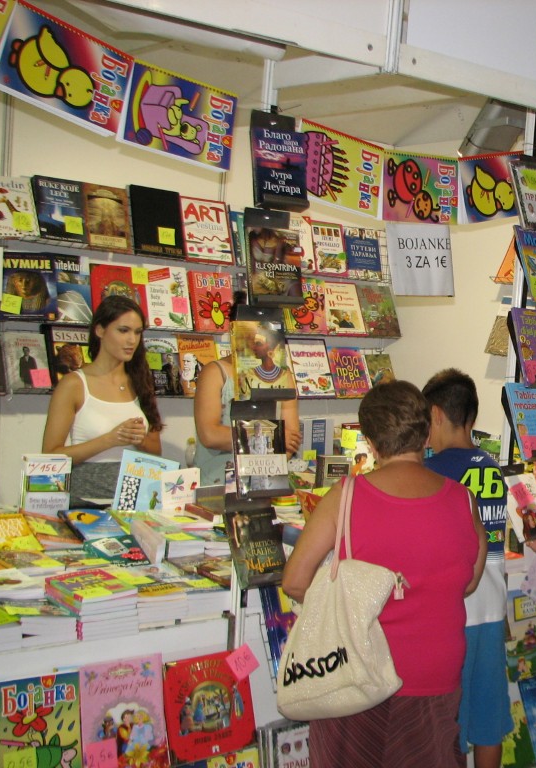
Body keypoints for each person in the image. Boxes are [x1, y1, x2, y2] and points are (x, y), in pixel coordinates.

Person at [281, 380, 487, 768]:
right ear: (426, 433)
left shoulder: (345, 497)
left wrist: (348, 603)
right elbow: (470, 580)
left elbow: (294, 581)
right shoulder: (463, 499)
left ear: (370, 441)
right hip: (436, 674)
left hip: (357, 671)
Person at [422, 369, 512, 768]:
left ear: (436, 415)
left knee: (447, 723)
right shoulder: (492, 466)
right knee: (489, 719)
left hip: (452, 613)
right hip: (491, 607)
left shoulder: (432, 471)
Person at [42, 295, 163, 505]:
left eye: (137, 332)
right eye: (123, 330)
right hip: (87, 502)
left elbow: (156, 450)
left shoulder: (140, 381)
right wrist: (110, 439)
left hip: (136, 500)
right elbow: (50, 456)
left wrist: (139, 439)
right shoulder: (74, 384)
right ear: (100, 330)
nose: (132, 340)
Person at [194, 304, 300, 486]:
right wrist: (272, 437)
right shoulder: (215, 372)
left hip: (268, 479)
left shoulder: (283, 375)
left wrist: (269, 457)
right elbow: (209, 435)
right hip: (219, 480)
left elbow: (291, 440)